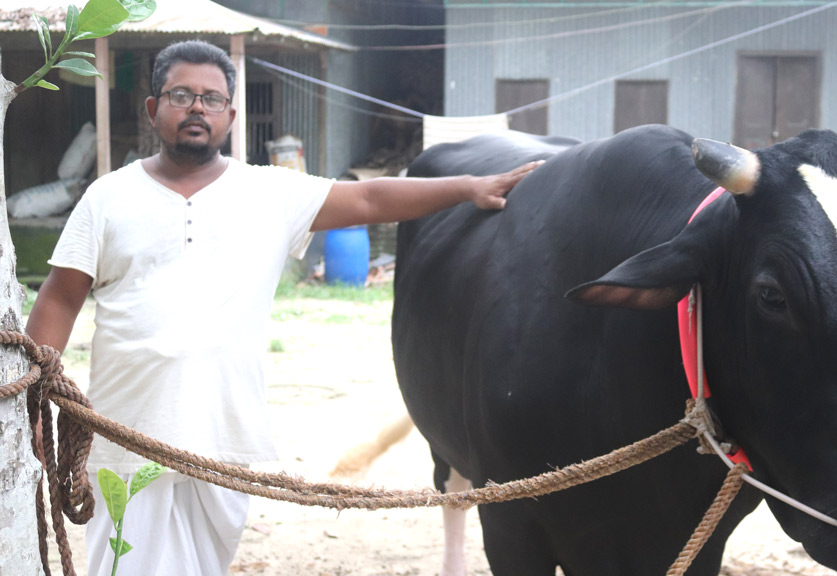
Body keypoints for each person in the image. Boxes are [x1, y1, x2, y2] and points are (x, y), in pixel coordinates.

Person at [25, 39, 537, 576]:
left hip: (225, 439)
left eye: (212, 98)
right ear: (154, 109)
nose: (198, 107)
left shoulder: (268, 193)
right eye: (181, 95)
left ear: (231, 115)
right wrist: (36, 398)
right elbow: (59, 298)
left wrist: (469, 188)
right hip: (124, 434)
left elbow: (369, 199)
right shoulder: (108, 197)